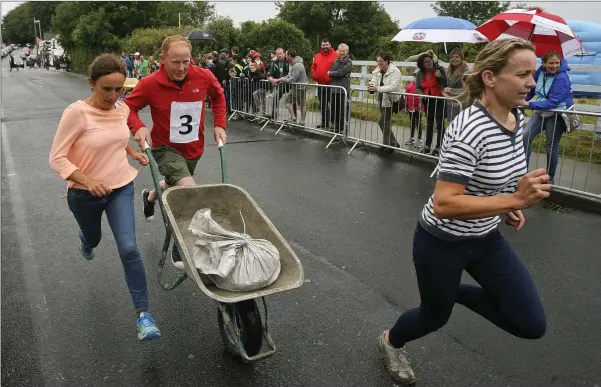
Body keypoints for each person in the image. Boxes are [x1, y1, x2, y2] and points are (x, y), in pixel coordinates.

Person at [377, 38, 550, 385]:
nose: (532, 82)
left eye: (534, 73)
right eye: (523, 74)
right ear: (490, 77)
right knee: (433, 317)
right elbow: (445, 202)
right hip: (441, 241)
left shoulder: (516, 119)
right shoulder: (469, 128)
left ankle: (450, 290)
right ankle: (391, 342)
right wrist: (514, 201)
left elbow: (492, 178)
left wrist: (504, 202)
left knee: (530, 323)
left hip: (485, 238)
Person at [49, 53, 161, 341]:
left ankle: (143, 316)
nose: (114, 96)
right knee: (94, 238)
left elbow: (117, 135)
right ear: (91, 84)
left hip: (120, 187)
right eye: (106, 89)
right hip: (84, 193)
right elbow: (57, 158)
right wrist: (87, 179)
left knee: (128, 248)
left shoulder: (121, 110)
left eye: (119, 90)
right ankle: (86, 240)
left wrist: (132, 152)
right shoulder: (77, 113)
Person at [124, 35, 227, 271]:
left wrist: (220, 123)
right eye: (175, 62)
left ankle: (149, 197)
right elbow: (128, 106)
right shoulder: (149, 83)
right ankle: (181, 243)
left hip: (193, 147)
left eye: (186, 62)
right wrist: (138, 127)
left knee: (175, 183)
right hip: (164, 147)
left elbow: (218, 96)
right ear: (162, 59)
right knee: (188, 192)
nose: (181, 68)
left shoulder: (204, 76)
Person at [523, 50, 574, 184]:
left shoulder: (562, 78)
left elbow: (553, 102)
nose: (554, 66)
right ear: (544, 63)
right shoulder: (540, 72)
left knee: (551, 147)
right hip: (541, 112)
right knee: (525, 136)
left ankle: (549, 178)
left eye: (557, 63)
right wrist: (523, 99)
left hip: (557, 114)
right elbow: (532, 89)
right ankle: (523, 173)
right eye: (551, 63)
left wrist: (528, 104)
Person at [367, 52, 402, 152]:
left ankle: (389, 144)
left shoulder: (395, 71)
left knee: (383, 122)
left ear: (386, 61)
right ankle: (391, 143)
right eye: (378, 61)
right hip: (382, 99)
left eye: (381, 61)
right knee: (385, 123)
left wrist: (377, 88)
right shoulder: (378, 70)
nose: (379, 63)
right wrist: (370, 85)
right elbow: (374, 80)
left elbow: (393, 87)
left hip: (391, 100)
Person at [415, 51, 448, 156]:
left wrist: (439, 76)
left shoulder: (440, 69)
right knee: (429, 124)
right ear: (422, 64)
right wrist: (422, 95)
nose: (428, 63)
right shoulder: (420, 73)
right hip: (428, 100)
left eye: (429, 61)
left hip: (439, 99)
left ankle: (439, 147)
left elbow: (446, 83)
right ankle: (427, 146)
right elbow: (418, 87)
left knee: (440, 124)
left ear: (432, 60)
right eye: (425, 62)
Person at [273, 49, 308, 126]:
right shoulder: (293, 64)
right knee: (302, 104)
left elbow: (292, 79)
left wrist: (282, 79)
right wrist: (280, 79)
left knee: (289, 101)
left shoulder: (297, 65)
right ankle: (300, 121)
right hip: (300, 87)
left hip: (299, 87)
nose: (285, 56)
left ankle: (294, 118)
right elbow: (289, 75)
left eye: (286, 55)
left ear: (289, 56)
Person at [311, 39, 339, 129]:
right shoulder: (317, 56)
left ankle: (334, 122)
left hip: (331, 84)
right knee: (323, 104)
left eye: (326, 45)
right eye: (323, 45)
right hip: (320, 84)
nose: (325, 47)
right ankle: (324, 122)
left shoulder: (336, 55)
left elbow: (338, 69)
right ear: (321, 46)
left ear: (330, 45)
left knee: (333, 104)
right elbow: (313, 67)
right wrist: (314, 76)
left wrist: (330, 78)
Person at [327, 43, 352, 134]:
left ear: (347, 52)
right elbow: (332, 70)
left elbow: (340, 73)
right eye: (340, 51)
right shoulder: (336, 61)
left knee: (342, 109)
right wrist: (333, 73)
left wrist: (331, 73)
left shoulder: (349, 62)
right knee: (334, 108)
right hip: (334, 88)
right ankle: (335, 126)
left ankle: (342, 127)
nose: (342, 53)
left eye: (343, 51)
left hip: (343, 89)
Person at [443, 47, 469, 122]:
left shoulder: (466, 72)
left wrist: (451, 90)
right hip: (450, 104)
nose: (454, 59)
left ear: (461, 58)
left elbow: (466, 90)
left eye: (457, 57)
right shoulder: (449, 71)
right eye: (452, 57)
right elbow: (446, 84)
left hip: (460, 104)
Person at [404, 70, 425, 148]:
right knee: (412, 123)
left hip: (419, 108)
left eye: (418, 76)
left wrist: (422, 107)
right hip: (411, 108)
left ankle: (419, 139)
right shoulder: (409, 86)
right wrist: (406, 107)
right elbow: (406, 96)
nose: (416, 78)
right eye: (415, 76)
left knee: (418, 123)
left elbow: (424, 97)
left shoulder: (422, 86)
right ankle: (412, 138)